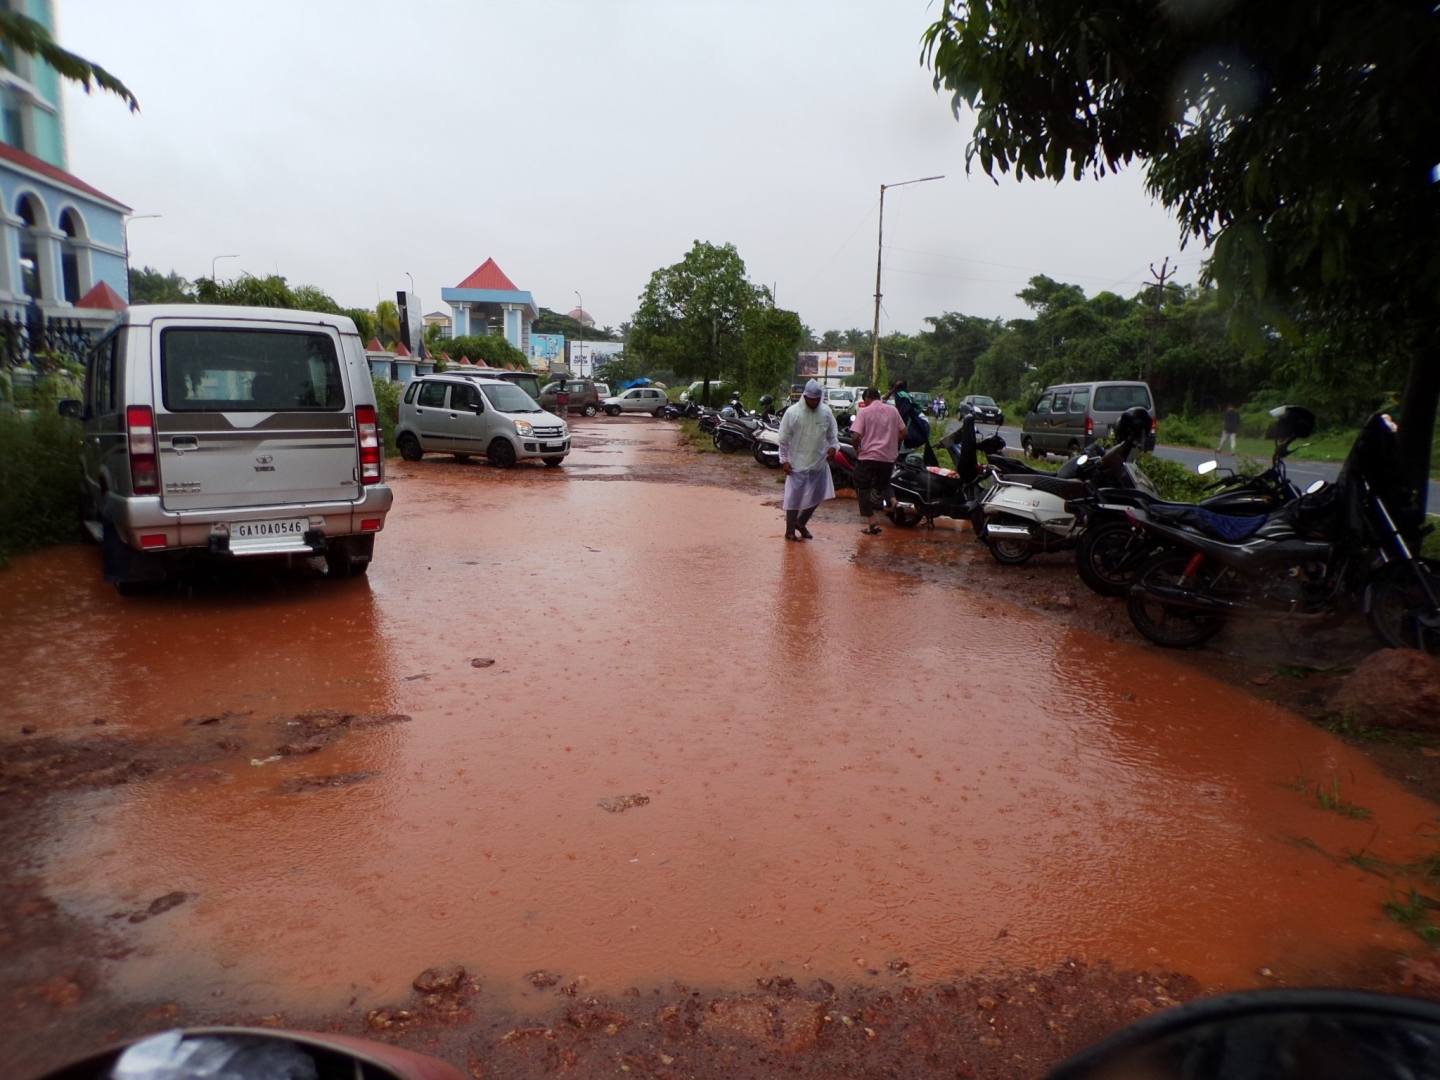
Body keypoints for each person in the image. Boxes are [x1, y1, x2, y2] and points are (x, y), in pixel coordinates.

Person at [778, 379, 839, 541]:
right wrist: (784, 460)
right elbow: (783, 439)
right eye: (812, 399)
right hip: (797, 463)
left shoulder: (826, 412)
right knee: (794, 498)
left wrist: (833, 447)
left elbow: (832, 435)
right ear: (805, 396)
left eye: (817, 399)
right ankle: (789, 531)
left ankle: (801, 522)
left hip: (818, 462)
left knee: (818, 495)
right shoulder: (793, 413)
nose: (815, 402)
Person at [848, 386, 905, 534]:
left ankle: (872, 521)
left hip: (869, 457)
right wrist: (891, 442)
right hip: (888, 457)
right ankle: (895, 502)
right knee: (884, 483)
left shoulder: (865, 412)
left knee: (861, 485)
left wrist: (856, 449)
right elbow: (904, 432)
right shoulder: (893, 411)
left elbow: (855, 437)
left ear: (866, 399)